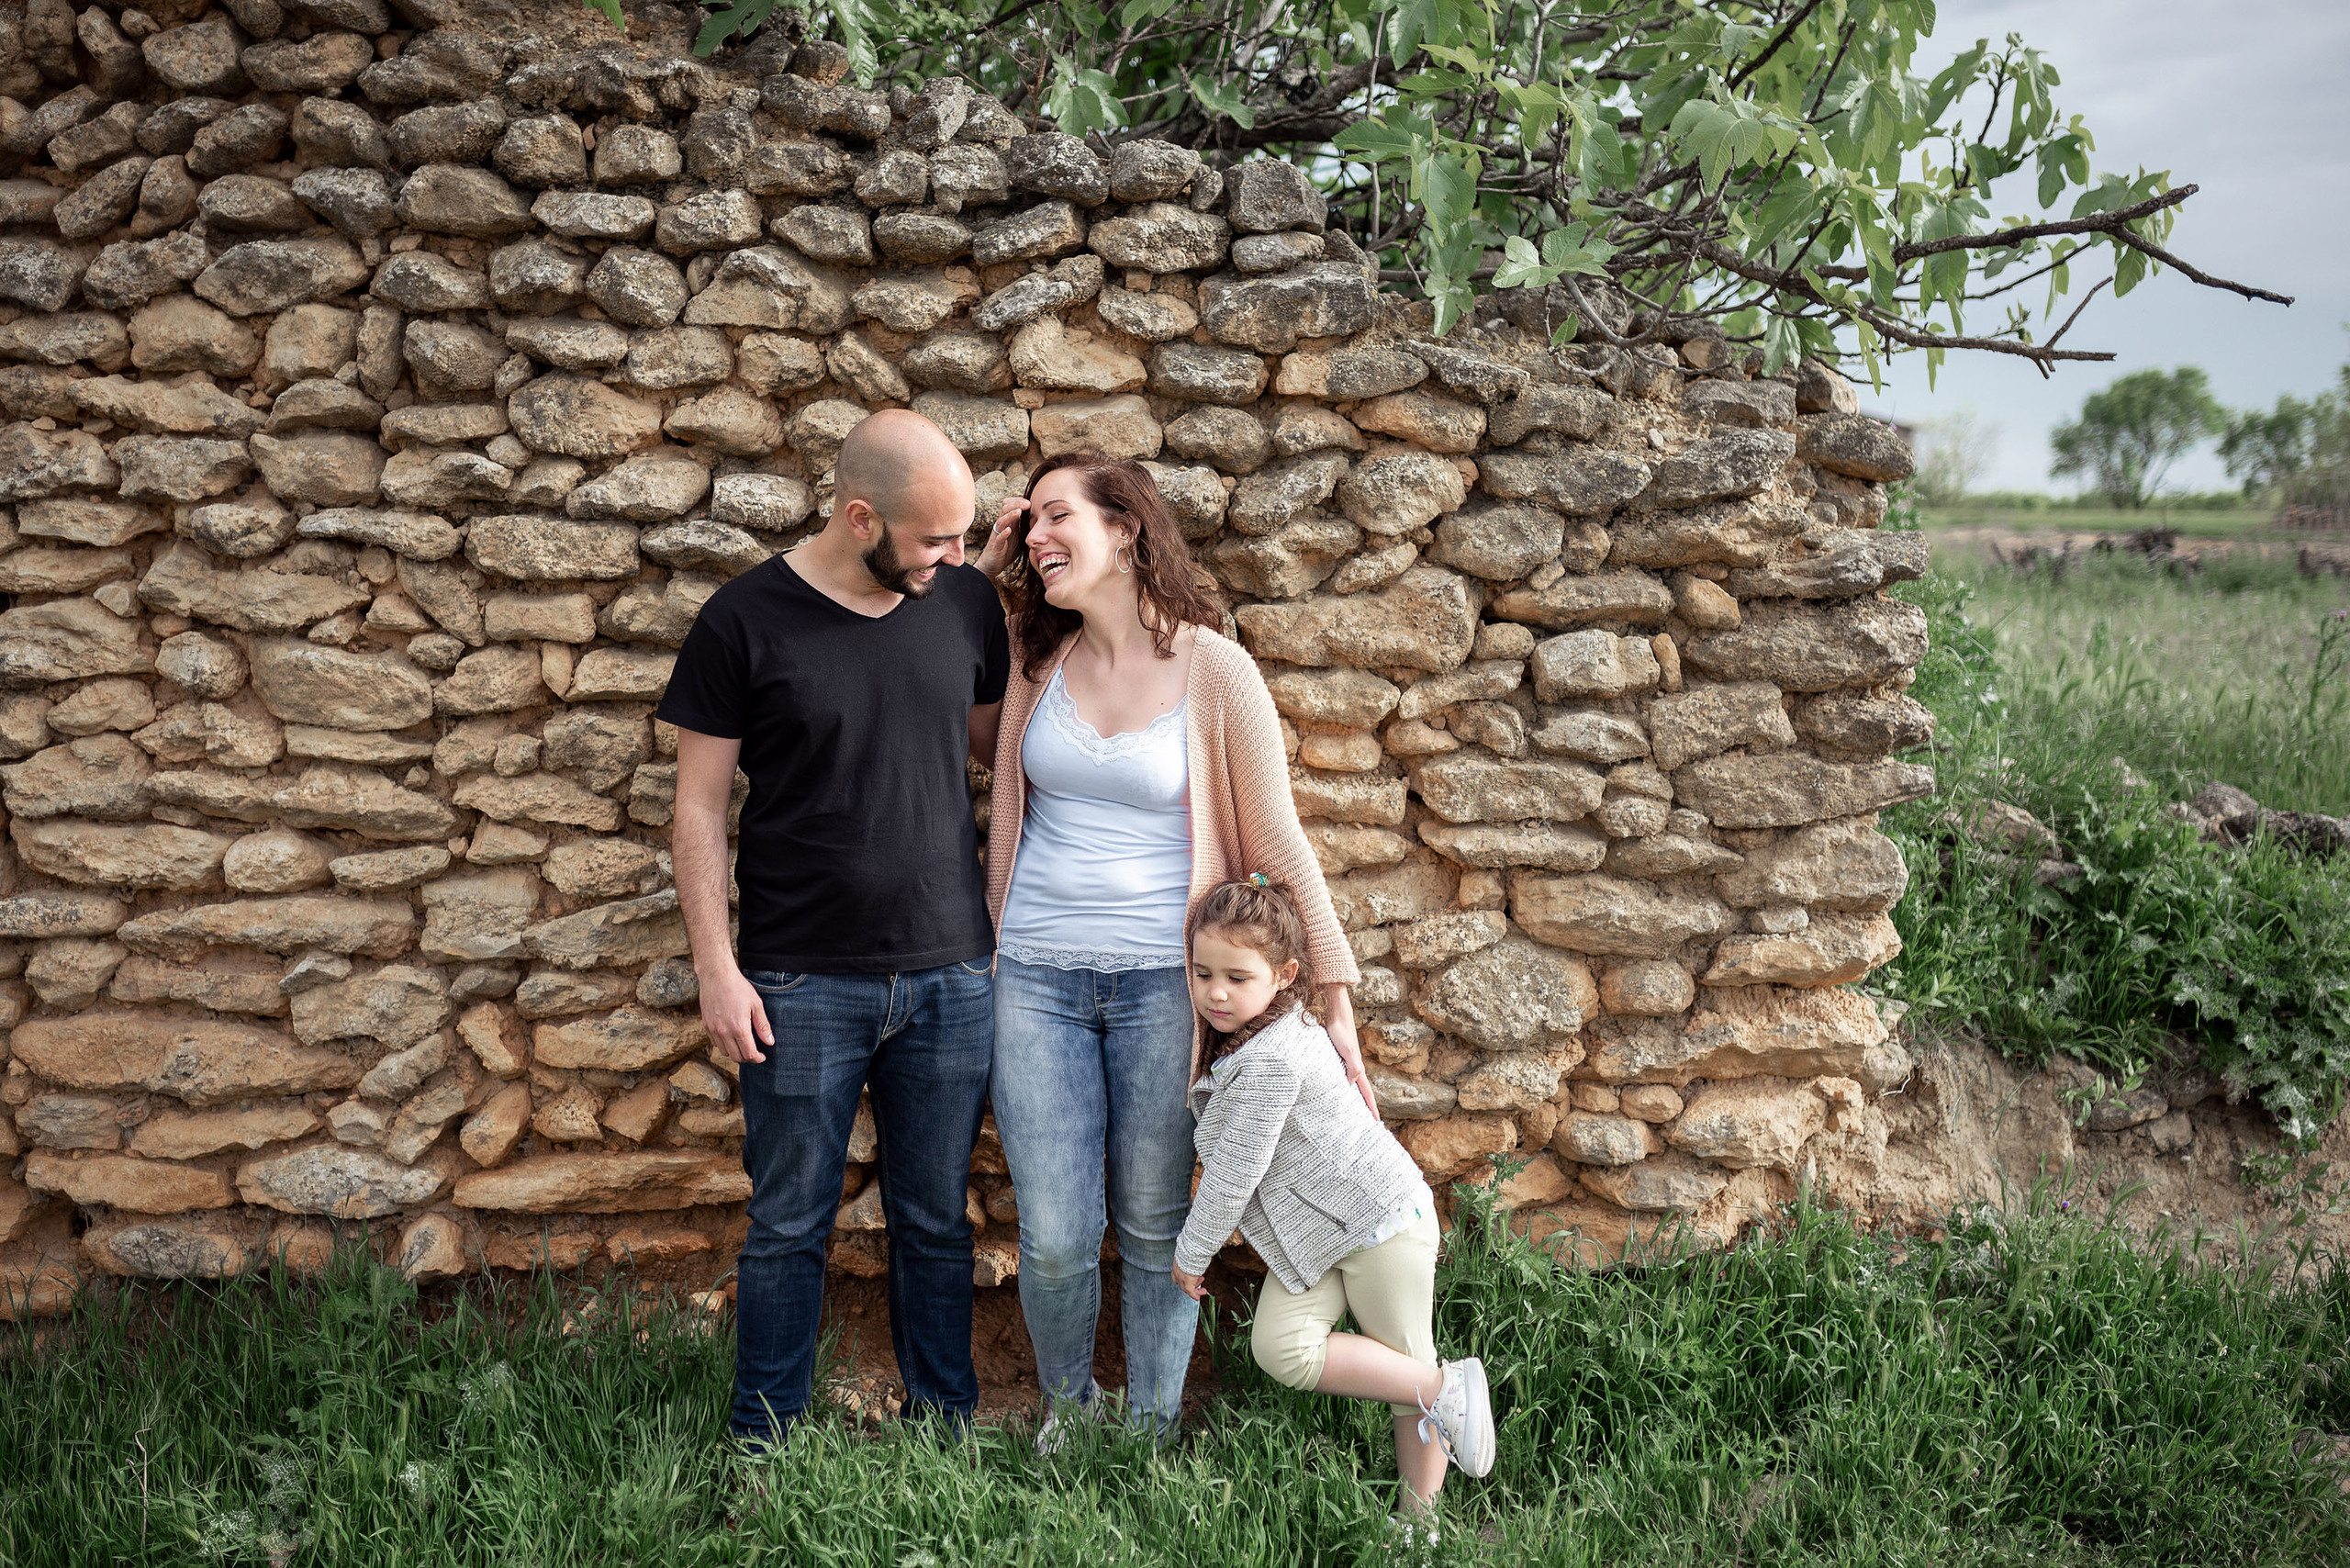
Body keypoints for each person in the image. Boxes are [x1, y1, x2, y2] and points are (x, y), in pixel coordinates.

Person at [976, 451, 1377, 1442]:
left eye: (1057, 517)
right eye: (1029, 527)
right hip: (1030, 976)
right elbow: (957, 724)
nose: (1036, 537)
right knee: (1060, 1235)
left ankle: (1151, 1425)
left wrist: (1334, 998)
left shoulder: (1215, 669)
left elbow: (1275, 838)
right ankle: (1068, 1413)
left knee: (1158, 1221)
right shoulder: (1033, 662)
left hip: (1168, 988)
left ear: (1127, 530)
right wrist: (973, 586)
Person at [658, 409, 1010, 1442]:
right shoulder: (743, 620)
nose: (954, 558)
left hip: (951, 973)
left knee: (935, 1223)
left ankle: (941, 1426)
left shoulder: (964, 602)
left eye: (964, 538)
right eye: (936, 540)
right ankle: (764, 1440)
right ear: (861, 518)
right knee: (787, 1226)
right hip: (798, 981)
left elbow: (1000, 744)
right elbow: (696, 807)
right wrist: (716, 970)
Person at [1172, 876, 1496, 1530]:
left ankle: (1420, 1524)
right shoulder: (1264, 1032)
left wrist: (1191, 1254)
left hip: (1381, 1225)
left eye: (1237, 977)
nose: (1215, 992)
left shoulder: (1272, 1058)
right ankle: (1441, 1390)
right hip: (1322, 1234)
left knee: (1411, 1375)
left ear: (1285, 974)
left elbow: (1235, 1173)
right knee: (1283, 1347)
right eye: (1203, 973)